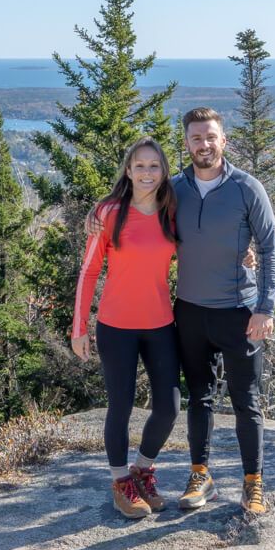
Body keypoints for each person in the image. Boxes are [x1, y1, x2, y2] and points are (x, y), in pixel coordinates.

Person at [86, 107, 275, 515]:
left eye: (210, 137)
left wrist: (265, 306)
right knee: (199, 399)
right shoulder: (175, 190)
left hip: (239, 311)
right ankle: (200, 476)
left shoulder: (248, 188)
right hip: (188, 312)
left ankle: (253, 482)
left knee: (247, 400)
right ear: (187, 144)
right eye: (195, 138)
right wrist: (99, 208)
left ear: (223, 140)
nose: (203, 145)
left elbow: (269, 248)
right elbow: (135, 196)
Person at [71, 137, 181, 519]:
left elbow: (202, 247)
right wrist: (78, 327)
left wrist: (243, 254)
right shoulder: (109, 213)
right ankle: (121, 482)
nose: (147, 173)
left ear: (164, 171)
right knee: (120, 406)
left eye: (154, 166)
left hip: (161, 325)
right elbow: (88, 272)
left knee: (169, 407)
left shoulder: (173, 210)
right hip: (116, 326)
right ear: (128, 171)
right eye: (140, 166)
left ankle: (143, 470)